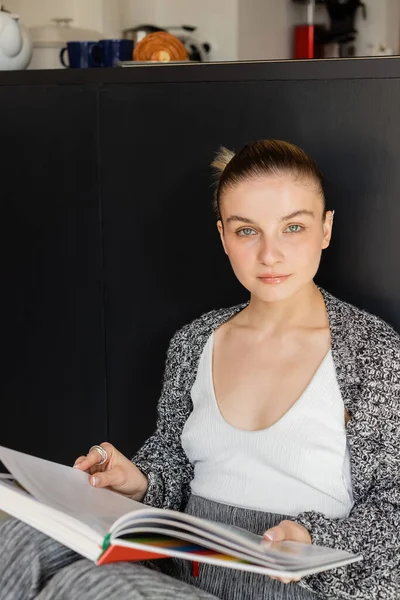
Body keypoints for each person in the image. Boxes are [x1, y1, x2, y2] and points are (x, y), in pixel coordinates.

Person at [0, 140, 399, 600]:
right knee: (18, 540)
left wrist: (312, 538)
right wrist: (140, 482)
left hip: (303, 587)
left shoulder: (372, 351)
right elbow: (174, 457)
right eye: (247, 231)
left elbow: (396, 505)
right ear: (223, 236)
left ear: (325, 229)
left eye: (292, 227)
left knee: (86, 586)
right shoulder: (194, 342)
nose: (270, 254)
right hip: (186, 570)